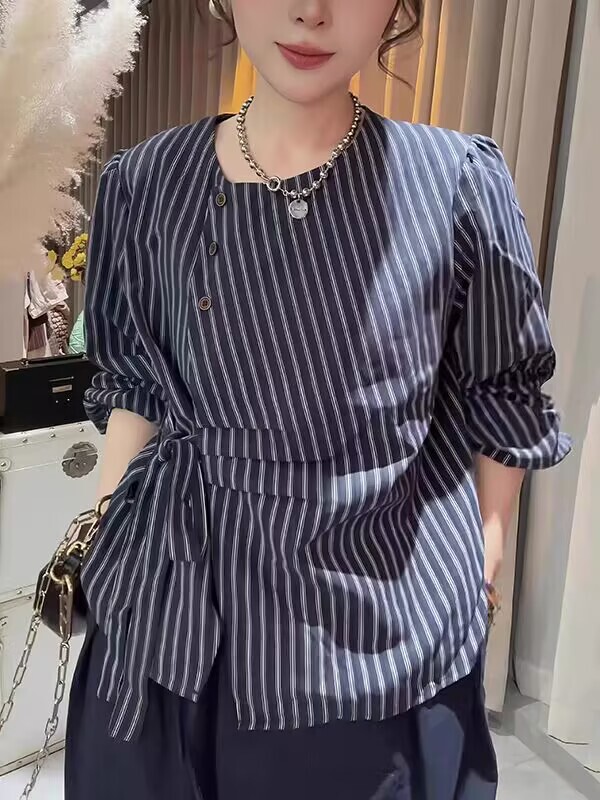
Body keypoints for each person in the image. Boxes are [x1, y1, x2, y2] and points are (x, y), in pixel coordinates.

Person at [65, 1, 571, 798]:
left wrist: (488, 546)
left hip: (373, 627)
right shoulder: (146, 182)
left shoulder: (454, 182)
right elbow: (137, 382)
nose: (311, 12)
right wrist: (103, 532)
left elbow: (503, 382)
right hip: (168, 614)